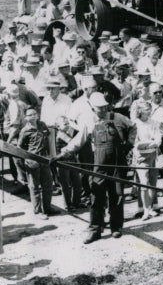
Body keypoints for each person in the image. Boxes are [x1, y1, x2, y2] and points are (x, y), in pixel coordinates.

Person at [53, 92, 134, 243]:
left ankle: (116, 227)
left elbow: (133, 127)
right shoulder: (89, 122)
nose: (102, 111)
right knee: (96, 195)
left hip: (117, 164)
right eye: (99, 109)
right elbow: (78, 140)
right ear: (92, 108)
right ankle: (95, 229)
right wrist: (63, 153)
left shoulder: (118, 118)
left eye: (104, 107)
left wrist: (129, 144)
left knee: (116, 195)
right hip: (100, 165)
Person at [16, 107, 54, 219]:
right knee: (34, 187)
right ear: (26, 118)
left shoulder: (42, 125)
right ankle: (38, 212)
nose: (33, 116)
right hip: (33, 161)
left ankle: (48, 208)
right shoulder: (24, 131)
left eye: (34, 114)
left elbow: (49, 139)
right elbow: (20, 148)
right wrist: (27, 160)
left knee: (48, 185)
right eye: (30, 115)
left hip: (44, 159)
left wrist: (51, 155)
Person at [129, 98, 160, 220]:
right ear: (140, 111)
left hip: (153, 155)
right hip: (141, 157)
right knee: (144, 184)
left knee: (153, 184)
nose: (149, 111)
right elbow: (136, 143)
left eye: (150, 109)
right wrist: (150, 142)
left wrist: (151, 143)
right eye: (147, 109)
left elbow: (158, 140)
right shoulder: (134, 124)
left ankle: (150, 208)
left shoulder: (153, 122)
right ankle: (145, 211)